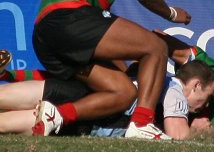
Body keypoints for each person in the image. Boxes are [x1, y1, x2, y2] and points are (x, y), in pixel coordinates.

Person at [32, 0, 191, 139]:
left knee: (124, 92)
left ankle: (57, 115)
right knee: (156, 47)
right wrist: (171, 13)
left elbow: (104, 41)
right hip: (68, 15)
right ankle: (142, 123)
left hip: (44, 39)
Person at [0, 53, 214, 140]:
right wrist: (199, 133)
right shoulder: (176, 90)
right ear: (196, 85)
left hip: (75, 90)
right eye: (206, 98)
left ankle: (7, 75)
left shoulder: (156, 75)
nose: (203, 106)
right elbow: (178, 137)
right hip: (88, 118)